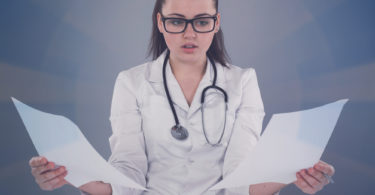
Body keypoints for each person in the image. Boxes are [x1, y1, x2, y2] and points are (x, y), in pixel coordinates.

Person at [28, 0, 335, 194]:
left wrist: (293, 174)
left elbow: (241, 173)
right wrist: (73, 177)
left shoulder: (243, 81)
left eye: (202, 21)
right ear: (160, 23)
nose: (190, 34)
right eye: (176, 21)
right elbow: (128, 167)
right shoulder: (131, 82)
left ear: (216, 24)